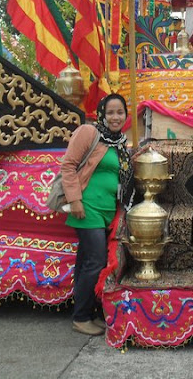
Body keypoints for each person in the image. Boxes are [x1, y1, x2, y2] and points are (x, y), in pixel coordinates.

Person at [61, 93, 139, 336]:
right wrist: (74, 200)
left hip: (106, 211)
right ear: (102, 114)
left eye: (120, 113)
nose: (115, 117)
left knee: (86, 262)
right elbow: (68, 165)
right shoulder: (89, 132)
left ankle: (86, 313)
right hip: (87, 207)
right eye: (110, 112)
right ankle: (81, 317)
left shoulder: (119, 143)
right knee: (95, 261)